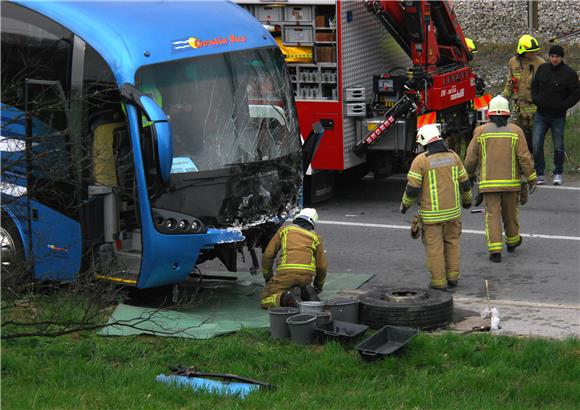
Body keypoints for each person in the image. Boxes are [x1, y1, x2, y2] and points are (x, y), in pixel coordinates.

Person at [400, 124, 473, 290]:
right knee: (452, 243)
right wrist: (467, 200)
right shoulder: (453, 156)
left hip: (432, 216)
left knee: (435, 249)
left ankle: (439, 283)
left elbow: (412, 189)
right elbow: (465, 183)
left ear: (424, 142)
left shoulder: (421, 160)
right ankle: (453, 277)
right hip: (454, 213)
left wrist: (404, 205)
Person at [464, 95, 536, 263]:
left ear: (489, 114)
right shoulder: (516, 131)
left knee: (492, 215)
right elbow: (524, 158)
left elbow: (470, 158)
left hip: (489, 185)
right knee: (511, 214)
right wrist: (532, 178)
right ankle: (512, 241)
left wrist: (468, 175)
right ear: (507, 114)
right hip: (511, 184)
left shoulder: (480, 132)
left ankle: (495, 250)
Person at [531, 44, 580, 185]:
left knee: (558, 145)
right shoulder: (542, 69)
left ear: (561, 57)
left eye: (557, 57)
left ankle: (558, 173)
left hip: (558, 116)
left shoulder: (569, 73)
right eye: (552, 56)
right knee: (536, 143)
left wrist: (564, 105)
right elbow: (534, 86)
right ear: (549, 57)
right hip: (541, 114)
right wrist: (536, 100)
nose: (554, 59)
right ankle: (539, 173)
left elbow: (576, 93)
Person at [260, 208, 328, 308]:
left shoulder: (285, 230)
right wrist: (318, 286)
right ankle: (305, 292)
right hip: (306, 277)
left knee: (266, 300)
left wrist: (268, 276)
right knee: (299, 289)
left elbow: (268, 255)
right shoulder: (316, 237)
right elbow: (322, 266)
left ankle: (286, 298)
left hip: (286, 274)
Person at [501, 34, 545, 151]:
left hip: (534, 108)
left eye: (534, 52)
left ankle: (535, 165)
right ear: (521, 50)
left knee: (536, 141)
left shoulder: (540, 64)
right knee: (518, 139)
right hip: (518, 108)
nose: (532, 54)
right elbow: (510, 83)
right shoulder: (513, 62)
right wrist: (502, 98)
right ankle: (520, 166)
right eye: (530, 52)